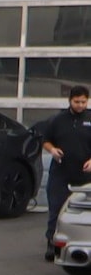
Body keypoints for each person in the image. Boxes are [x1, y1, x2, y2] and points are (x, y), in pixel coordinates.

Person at [35, 85, 91, 257]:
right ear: (70, 100)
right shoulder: (58, 119)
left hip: (85, 173)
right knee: (57, 208)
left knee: (85, 210)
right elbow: (45, 140)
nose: (80, 105)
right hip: (61, 171)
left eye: (83, 101)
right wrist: (52, 150)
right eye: (77, 102)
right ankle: (52, 243)